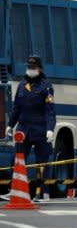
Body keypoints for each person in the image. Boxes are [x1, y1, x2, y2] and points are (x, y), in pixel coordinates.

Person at [0, 55, 56, 202]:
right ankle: (14, 191)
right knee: (17, 160)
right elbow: (17, 108)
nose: (30, 70)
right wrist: (10, 125)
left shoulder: (46, 86)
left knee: (42, 162)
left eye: (33, 67)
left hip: (40, 128)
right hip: (24, 128)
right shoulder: (22, 84)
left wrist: (50, 129)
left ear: (39, 68)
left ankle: (43, 193)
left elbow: (50, 110)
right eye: (29, 67)